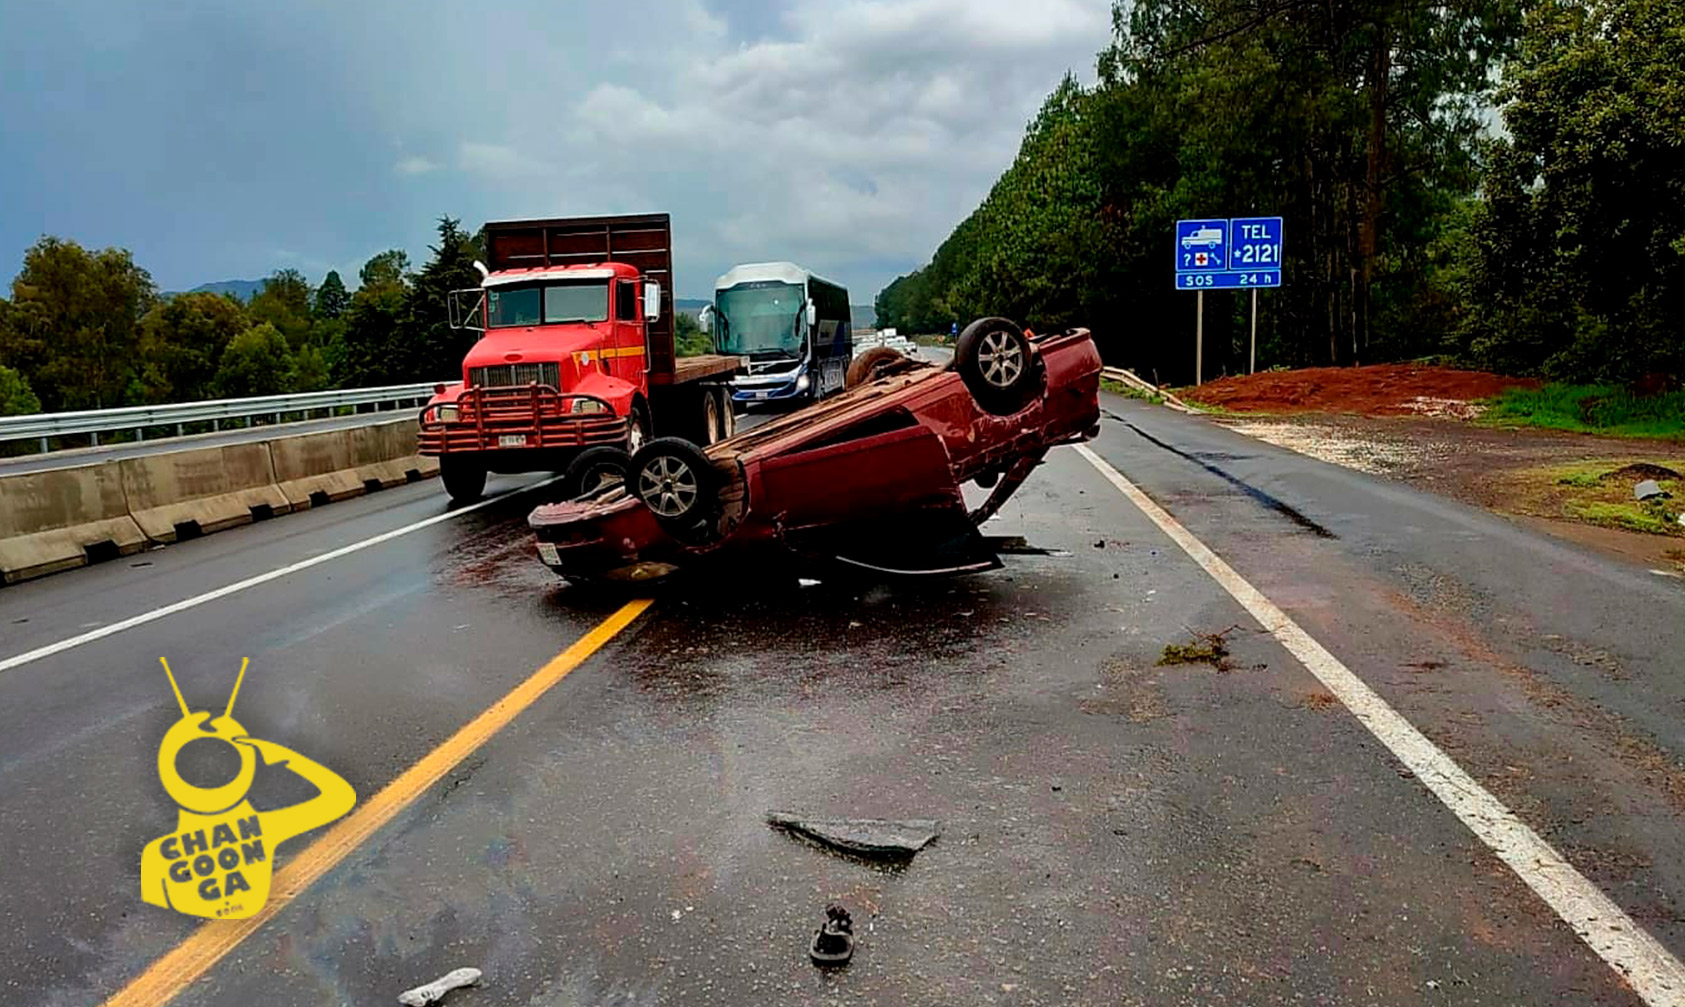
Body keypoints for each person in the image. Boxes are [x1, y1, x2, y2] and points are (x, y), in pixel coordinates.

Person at [140, 658, 355, 920]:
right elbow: (338, 798)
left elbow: (154, 909)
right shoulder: (266, 827)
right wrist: (284, 757)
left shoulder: (155, 856)